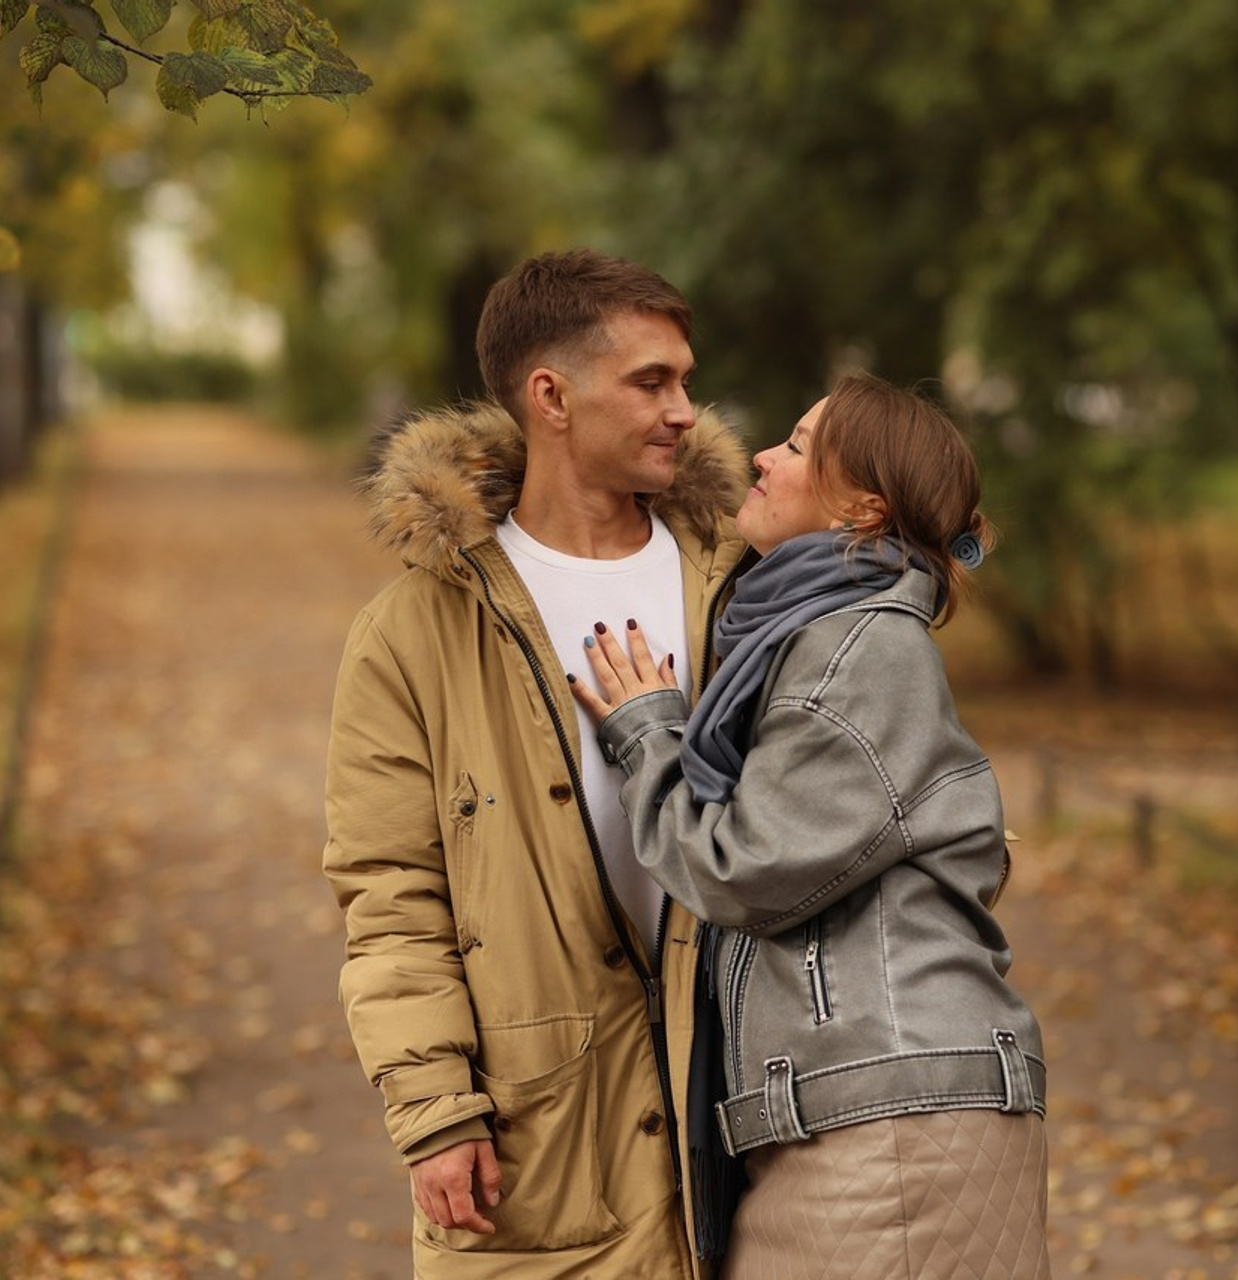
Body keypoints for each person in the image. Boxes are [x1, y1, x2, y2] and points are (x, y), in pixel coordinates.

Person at [322, 248, 749, 1278]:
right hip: (541, 1150)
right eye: (651, 381)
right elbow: (389, 888)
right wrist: (433, 1106)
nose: (684, 411)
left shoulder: (742, 580)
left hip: (746, 1122)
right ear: (550, 396)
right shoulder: (413, 630)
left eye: (685, 381)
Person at [571, 372, 1051, 1279]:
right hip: (860, 1111)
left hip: (894, 1126)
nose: (761, 456)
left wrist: (648, 734)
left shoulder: (861, 650)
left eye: (795, 447)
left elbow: (743, 869)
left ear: (864, 511)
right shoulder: (818, 635)